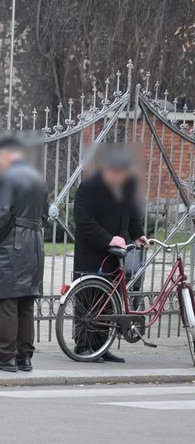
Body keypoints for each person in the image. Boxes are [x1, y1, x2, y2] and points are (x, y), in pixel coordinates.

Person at [73, 143, 149, 363]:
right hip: (92, 253)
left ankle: (102, 346)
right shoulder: (89, 188)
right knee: (89, 301)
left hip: (117, 254)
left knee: (109, 300)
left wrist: (138, 235)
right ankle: (85, 346)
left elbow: (132, 214)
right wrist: (108, 239)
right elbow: (84, 222)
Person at [0, 136, 47, 373]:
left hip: (12, 245)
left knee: (6, 301)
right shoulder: (38, 178)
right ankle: (24, 356)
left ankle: (5, 355)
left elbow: (1, 215)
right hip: (34, 245)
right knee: (26, 301)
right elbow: (46, 214)